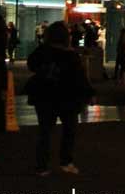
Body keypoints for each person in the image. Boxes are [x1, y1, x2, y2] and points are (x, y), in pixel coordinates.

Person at [26, 21, 94, 176]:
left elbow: (32, 65)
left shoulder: (42, 51)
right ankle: (66, 161)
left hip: (44, 94)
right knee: (69, 129)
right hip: (67, 96)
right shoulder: (70, 55)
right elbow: (79, 77)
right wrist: (89, 93)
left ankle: (42, 165)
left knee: (45, 131)